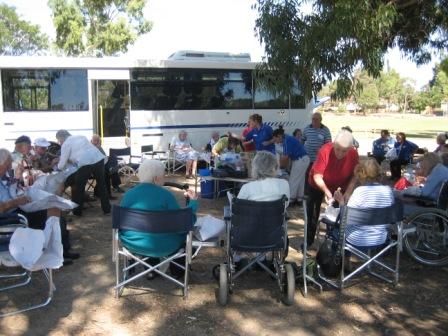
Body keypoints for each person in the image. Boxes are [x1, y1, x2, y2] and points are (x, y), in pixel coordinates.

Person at [120, 159, 198, 279]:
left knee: (151, 232)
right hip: (163, 245)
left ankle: (152, 268)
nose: (164, 179)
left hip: (132, 243)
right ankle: (177, 271)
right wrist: (193, 203)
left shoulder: (128, 194)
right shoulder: (165, 195)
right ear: (156, 179)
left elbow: (121, 223)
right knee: (187, 236)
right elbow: (183, 224)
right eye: (163, 176)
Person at [0, 148, 79, 265]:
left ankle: (62, 250)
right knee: (52, 214)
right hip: (10, 218)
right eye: (6, 165)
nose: (8, 168)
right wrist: (17, 201)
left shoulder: (3, 178)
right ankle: (55, 255)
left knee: (55, 208)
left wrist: (21, 188)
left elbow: (12, 190)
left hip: (18, 209)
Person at [306, 130, 359, 247]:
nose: (340, 153)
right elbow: (317, 176)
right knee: (313, 213)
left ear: (350, 148)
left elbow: (355, 175)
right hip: (317, 184)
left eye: (344, 151)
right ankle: (308, 241)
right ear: (334, 144)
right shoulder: (325, 150)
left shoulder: (354, 154)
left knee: (337, 212)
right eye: (337, 149)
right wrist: (327, 192)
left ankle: (332, 241)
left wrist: (348, 193)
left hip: (339, 185)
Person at [333, 158, 395, 247]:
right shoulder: (388, 190)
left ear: (361, 174)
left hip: (357, 239)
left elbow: (345, 217)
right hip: (380, 238)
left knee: (334, 229)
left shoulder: (360, 191)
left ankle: (342, 259)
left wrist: (341, 202)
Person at [56, 130, 111, 216]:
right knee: (102, 185)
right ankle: (107, 209)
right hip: (98, 159)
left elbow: (62, 165)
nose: (59, 143)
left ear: (60, 139)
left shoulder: (65, 144)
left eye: (59, 141)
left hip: (86, 163)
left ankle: (77, 212)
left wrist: (58, 165)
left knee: (79, 187)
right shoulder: (80, 136)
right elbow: (81, 152)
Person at [272, 128, 309, 205]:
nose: (275, 141)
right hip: (303, 159)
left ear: (279, 136)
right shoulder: (287, 139)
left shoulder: (286, 141)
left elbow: (285, 157)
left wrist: (279, 166)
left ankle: (291, 200)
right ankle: (299, 199)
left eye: (275, 139)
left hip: (300, 160)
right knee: (300, 180)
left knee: (293, 180)